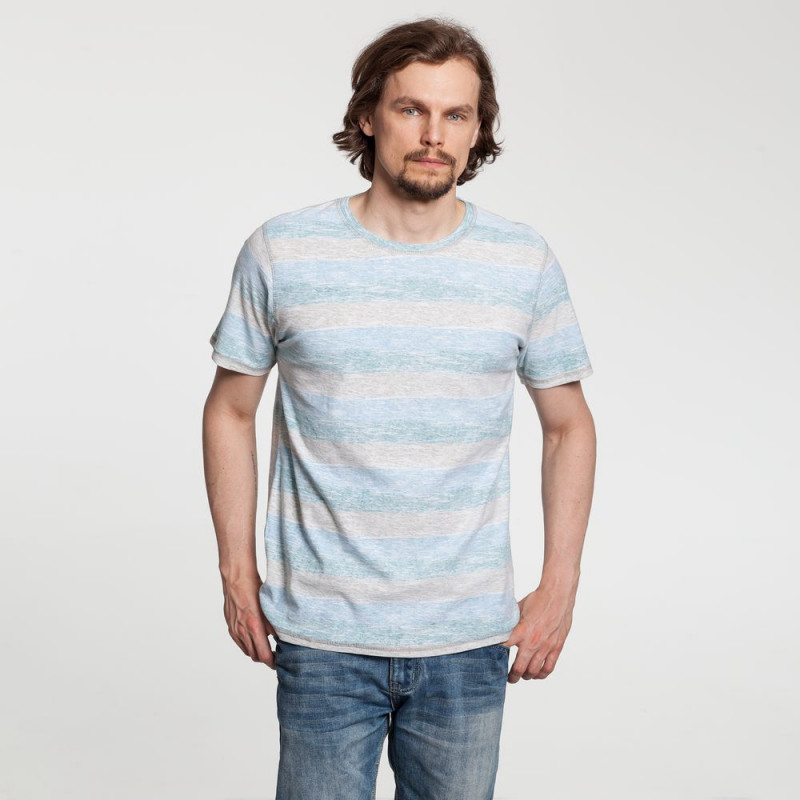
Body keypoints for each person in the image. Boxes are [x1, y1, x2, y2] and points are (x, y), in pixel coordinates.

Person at [202, 16, 596, 800]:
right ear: (368, 118)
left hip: (468, 640)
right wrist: (236, 570)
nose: (433, 135)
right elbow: (231, 412)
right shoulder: (283, 252)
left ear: (478, 131)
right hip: (322, 636)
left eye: (456, 115)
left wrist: (560, 583)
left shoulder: (522, 262)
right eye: (412, 109)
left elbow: (568, 426)